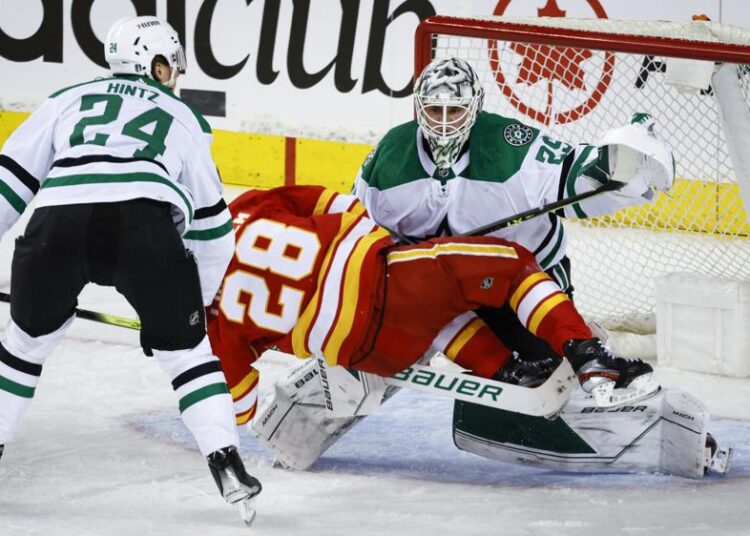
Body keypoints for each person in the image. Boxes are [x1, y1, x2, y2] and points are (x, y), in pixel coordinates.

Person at [0, 15, 260, 517]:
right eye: (171, 65)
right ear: (156, 64)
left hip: (59, 223)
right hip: (144, 229)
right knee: (187, 357)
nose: (174, 77)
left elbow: (9, 180)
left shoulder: (66, 98)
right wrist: (192, 308)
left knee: (22, 345)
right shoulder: (185, 118)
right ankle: (227, 464)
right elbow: (212, 228)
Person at [206, 184, 657, 470]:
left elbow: (241, 408)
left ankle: (503, 368)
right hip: (391, 281)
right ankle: (587, 355)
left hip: (372, 355)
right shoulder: (243, 206)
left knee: (437, 316)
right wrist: (371, 238)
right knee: (514, 266)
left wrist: (192, 333)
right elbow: (331, 201)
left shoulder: (214, 314)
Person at [353, 57, 675, 377]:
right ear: (419, 108)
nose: (445, 123)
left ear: (476, 106)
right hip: (442, 287)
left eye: (457, 110)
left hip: (525, 286)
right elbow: (358, 229)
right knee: (380, 315)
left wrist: (618, 164)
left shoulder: (511, 145)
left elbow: (572, 174)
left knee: (546, 374)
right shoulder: (390, 155)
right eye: (436, 110)